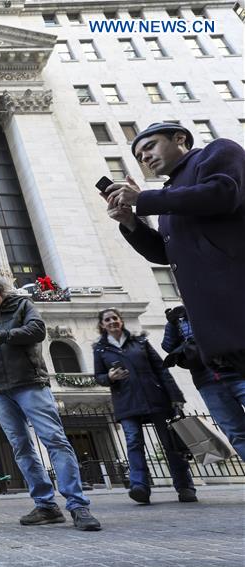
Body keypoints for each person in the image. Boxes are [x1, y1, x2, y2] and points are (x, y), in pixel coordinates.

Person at [103, 122, 245, 377]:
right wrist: (130, 221)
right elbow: (164, 254)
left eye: (149, 147)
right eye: (138, 156)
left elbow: (222, 194)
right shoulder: (168, 196)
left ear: (179, 138)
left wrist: (144, 199)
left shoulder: (217, 151)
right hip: (220, 334)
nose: (144, 158)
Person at [0, 277, 101, 531]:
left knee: (54, 440)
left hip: (29, 382)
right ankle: (46, 505)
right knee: (21, 447)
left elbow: (38, 331)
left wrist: (2, 334)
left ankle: (78, 505)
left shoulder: (22, 306)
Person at [92, 308, 197, 504]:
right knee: (133, 442)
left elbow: (161, 369)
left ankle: (185, 487)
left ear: (121, 321)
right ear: (102, 325)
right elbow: (98, 376)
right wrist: (109, 377)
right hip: (126, 401)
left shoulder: (140, 342)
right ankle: (139, 486)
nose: (112, 322)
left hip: (155, 398)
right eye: (107, 320)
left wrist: (175, 396)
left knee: (170, 443)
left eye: (115, 318)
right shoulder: (100, 350)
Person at [162, 305, 245, 460]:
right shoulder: (178, 318)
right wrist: (172, 324)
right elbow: (167, 346)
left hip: (237, 374)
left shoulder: (211, 304)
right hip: (208, 383)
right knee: (236, 433)